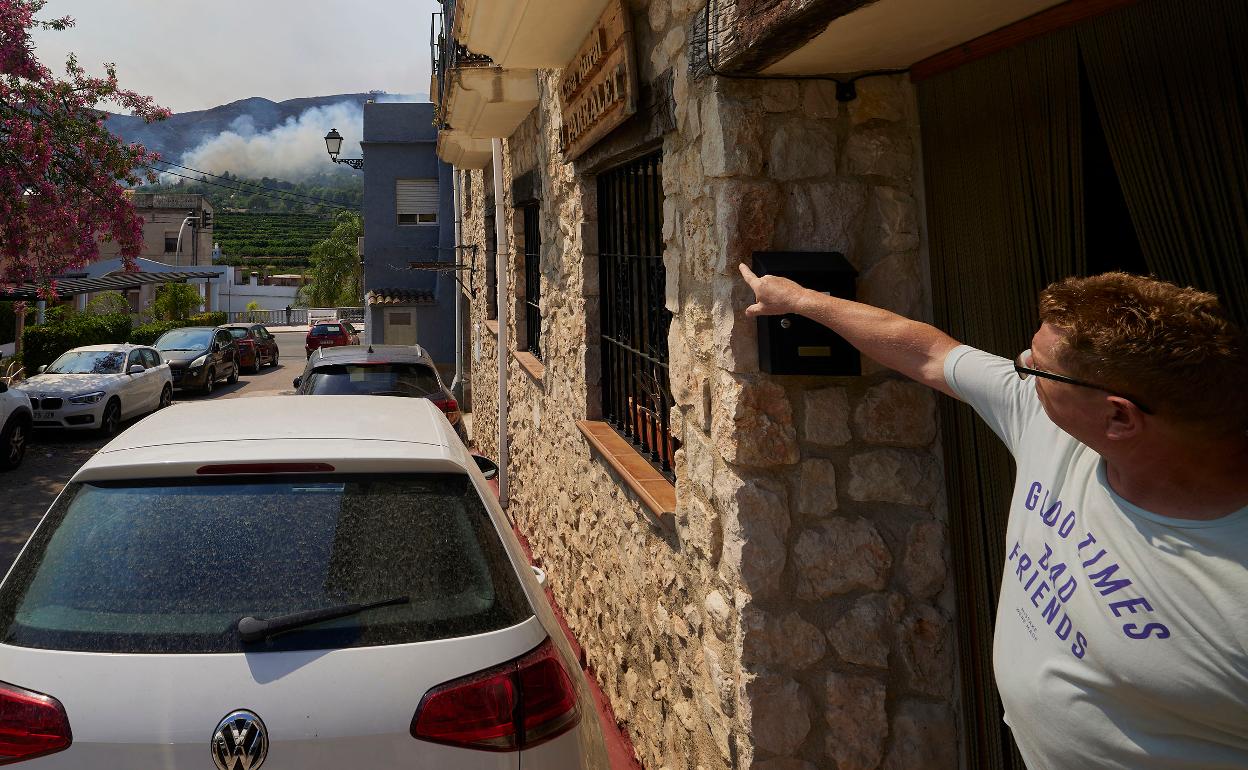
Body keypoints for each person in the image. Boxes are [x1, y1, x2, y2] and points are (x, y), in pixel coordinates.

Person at [739, 264, 1248, 769]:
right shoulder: (1053, 428)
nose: (1021, 366)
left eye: (1038, 367)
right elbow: (930, 353)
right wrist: (801, 300)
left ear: (1119, 416)